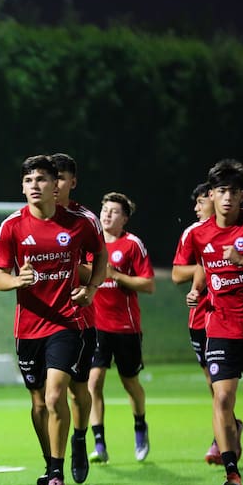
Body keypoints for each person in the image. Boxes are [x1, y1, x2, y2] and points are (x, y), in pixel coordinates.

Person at [0, 155, 106, 485]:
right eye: (28, 180)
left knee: (61, 395)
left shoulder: (79, 222)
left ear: (56, 184)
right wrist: (18, 279)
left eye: (41, 179)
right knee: (39, 402)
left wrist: (91, 290)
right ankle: (51, 460)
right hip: (28, 328)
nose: (35, 186)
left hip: (67, 324)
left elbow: (101, 257)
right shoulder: (11, 227)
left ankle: (60, 470)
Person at [181, 159, 243, 485]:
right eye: (221, 191)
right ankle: (232, 471)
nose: (226, 198)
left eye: (233, 192)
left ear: (241, 196)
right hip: (219, 327)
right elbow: (189, 268)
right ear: (212, 194)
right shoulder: (198, 233)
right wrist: (196, 286)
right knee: (222, 396)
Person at [172, 182, 243, 464]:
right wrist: (208, 262)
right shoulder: (194, 233)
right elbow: (177, 275)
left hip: (235, 319)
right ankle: (226, 435)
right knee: (215, 385)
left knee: (240, 389)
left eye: (201, 202)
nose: (196, 208)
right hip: (201, 318)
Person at [88, 192, 155, 464]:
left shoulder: (132, 245)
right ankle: (99, 443)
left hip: (126, 327)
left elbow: (148, 284)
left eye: (114, 211)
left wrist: (116, 276)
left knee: (130, 383)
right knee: (93, 383)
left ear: (124, 218)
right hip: (95, 326)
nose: (107, 215)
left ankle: (140, 425)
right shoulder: (91, 243)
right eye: (104, 209)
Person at [50, 152, 104, 485]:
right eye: (49, 177)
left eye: (61, 177)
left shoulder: (85, 220)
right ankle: (51, 464)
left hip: (79, 318)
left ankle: (80, 438)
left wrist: (64, 264)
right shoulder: (32, 219)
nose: (54, 184)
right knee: (48, 396)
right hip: (41, 322)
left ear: (73, 182)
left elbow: (99, 265)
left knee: (77, 389)